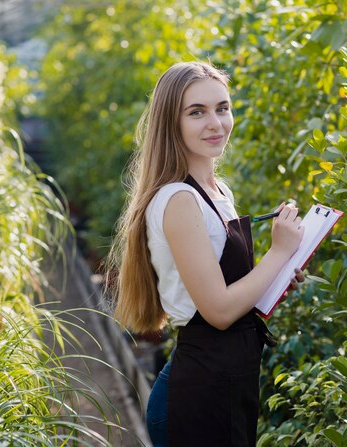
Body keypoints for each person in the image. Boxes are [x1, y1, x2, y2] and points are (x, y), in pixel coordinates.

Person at [106, 61, 304, 447]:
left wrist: (278, 280)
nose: (215, 122)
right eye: (196, 112)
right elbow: (217, 310)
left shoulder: (218, 193)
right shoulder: (179, 199)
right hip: (197, 393)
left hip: (229, 382)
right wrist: (277, 254)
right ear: (171, 122)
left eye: (222, 108)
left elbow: (232, 297)